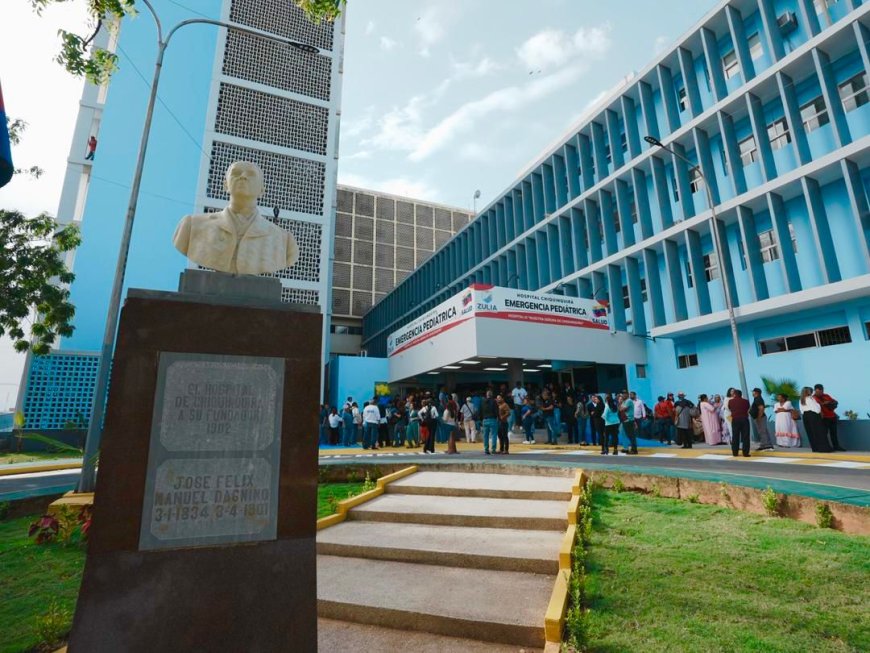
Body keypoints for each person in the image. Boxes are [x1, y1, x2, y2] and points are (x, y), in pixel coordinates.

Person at [173, 161, 299, 275]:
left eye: (251, 174)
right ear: (225, 185)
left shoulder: (284, 242)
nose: (243, 176)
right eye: (236, 173)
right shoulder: (191, 227)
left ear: (262, 190)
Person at [800, 387, 832, 452]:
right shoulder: (810, 399)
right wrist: (819, 407)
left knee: (811, 432)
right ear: (809, 392)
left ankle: (815, 448)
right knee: (819, 432)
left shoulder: (801, 399)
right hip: (813, 416)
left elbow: (802, 410)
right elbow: (816, 409)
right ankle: (823, 448)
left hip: (805, 416)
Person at [814, 384, 845, 451]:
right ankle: (826, 447)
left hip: (832, 416)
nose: (821, 392)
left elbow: (835, 401)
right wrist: (825, 403)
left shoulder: (826, 395)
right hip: (824, 418)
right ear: (815, 390)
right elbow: (818, 406)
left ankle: (836, 446)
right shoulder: (813, 398)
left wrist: (829, 402)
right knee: (824, 434)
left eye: (822, 391)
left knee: (834, 433)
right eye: (819, 391)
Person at [728, 389, 751, 458]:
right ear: (741, 395)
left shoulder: (730, 401)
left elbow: (730, 408)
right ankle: (745, 453)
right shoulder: (746, 401)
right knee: (745, 436)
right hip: (744, 419)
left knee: (735, 436)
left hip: (735, 419)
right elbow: (747, 408)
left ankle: (735, 453)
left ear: (735, 394)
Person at [481, 390, 498, 455]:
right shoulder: (494, 401)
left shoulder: (483, 402)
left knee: (485, 436)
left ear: (486, 395)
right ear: (492, 395)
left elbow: (480, 411)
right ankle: (493, 449)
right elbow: (496, 411)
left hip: (485, 420)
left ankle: (486, 449)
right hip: (493, 419)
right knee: (493, 435)